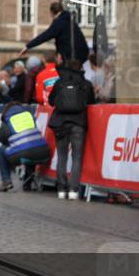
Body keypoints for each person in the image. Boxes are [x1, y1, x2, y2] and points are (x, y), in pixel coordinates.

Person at [48, 59, 95, 200]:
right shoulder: (86, 84)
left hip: (61, 124)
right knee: (77, 158)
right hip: (78, 124)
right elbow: (92, 102)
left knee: (62, 157)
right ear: (81, 69)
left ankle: (61, 189)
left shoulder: (59, 83)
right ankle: (74, 190)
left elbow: (51, 101)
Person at [0, 101, 51, 192]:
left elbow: (2, 139)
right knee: (30, 147)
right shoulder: (29, 116)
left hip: (25, 154)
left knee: (2, 149)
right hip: (44, 153)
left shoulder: (7, 119)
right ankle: (27, 184)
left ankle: (6, 181)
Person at [20, 1, 89, 64]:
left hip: (71, 55)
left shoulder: (59, 22)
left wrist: (28, 46)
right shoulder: (70, 20)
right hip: (82, 53)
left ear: (52, 12)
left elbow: (45, 36)